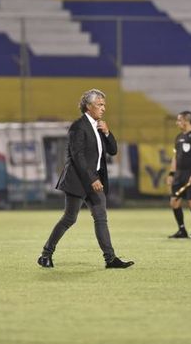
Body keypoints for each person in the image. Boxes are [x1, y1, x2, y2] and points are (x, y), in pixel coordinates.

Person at [37, 89, 134, 269]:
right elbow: (78, 156)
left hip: (94, 180)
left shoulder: (99, 126)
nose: (103, 108)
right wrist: (92, 179)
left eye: (104, 105)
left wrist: (107, 132)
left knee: (101, 217)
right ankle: (45, 254)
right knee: (69, 219)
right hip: (78, 181)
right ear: (88, 107)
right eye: (100, 105)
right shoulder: (78, 127)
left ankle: (110, 259)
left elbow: (113, 150)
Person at [166, 111, 191, 239]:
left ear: (186, 121)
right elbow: (175, 157)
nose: (177, 123)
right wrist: (171, 173)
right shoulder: (178, 137)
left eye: (179, 120)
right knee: (174, 202)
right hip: (179, 174)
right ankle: (182, 230)